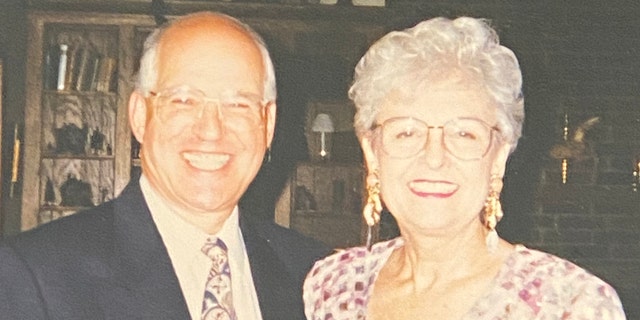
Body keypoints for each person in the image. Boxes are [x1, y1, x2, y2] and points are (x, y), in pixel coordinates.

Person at [0, 12, 329, 320]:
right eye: (184, 101)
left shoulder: (317, 276)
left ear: (268, 123)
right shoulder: (37, 275)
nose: (211, 131)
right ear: (140, 116)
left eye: (238, 105)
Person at [303, 16, 626, 319]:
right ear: (372, 152)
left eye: (464, 133)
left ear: (498, 156)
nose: (433, 157)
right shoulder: (333, 285)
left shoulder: (568, 303)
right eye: (406, 131)